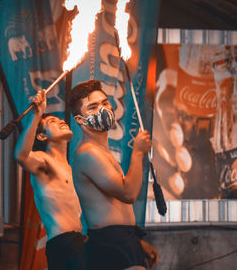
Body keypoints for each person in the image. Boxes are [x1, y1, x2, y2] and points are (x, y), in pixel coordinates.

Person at [68, 79, 159, 270]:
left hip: (124, 239)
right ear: (79, 119)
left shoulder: (101, 151)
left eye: (104, 102)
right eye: (93, 107)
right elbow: (128, 194)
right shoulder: (88, 153)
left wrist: (137, 243)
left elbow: (116, 207)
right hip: (111, 242)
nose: (102, 109)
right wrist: (138, 152)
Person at [15, 90, 86, 270]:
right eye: (53, 122)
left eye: (61, 119)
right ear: (42, 135)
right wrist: (37, 115)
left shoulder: (72, 169)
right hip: (64, 243)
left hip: (82, 241)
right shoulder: (44, 161)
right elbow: (21, 156)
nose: (62, 121)